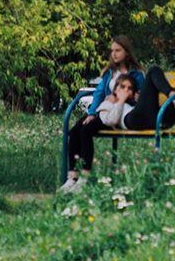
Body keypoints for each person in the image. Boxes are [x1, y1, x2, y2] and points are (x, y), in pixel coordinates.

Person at [59, 51, 175, 193]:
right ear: (114, 89)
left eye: (129, 88)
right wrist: (120, 100)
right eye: (122, 87)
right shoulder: (108, 103)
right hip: (133, 121)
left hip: (161, 119)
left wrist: (135, 99)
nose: (125, 90)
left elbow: (142, 101)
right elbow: (111, 119)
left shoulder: (132, 102)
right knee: (153, 72)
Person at [62, 37, 145, 191]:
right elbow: (99, 93)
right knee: (75, 131)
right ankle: (72, 177)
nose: (114, 54)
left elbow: (139, 99)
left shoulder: (137, 73)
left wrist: (119, 99)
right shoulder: (110, 72)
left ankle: (84, 178)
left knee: (86, 130)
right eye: (112, 51)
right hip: (105, 109)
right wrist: (92, 113)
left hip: (121, 113)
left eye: (118, 50)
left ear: (127, 52)